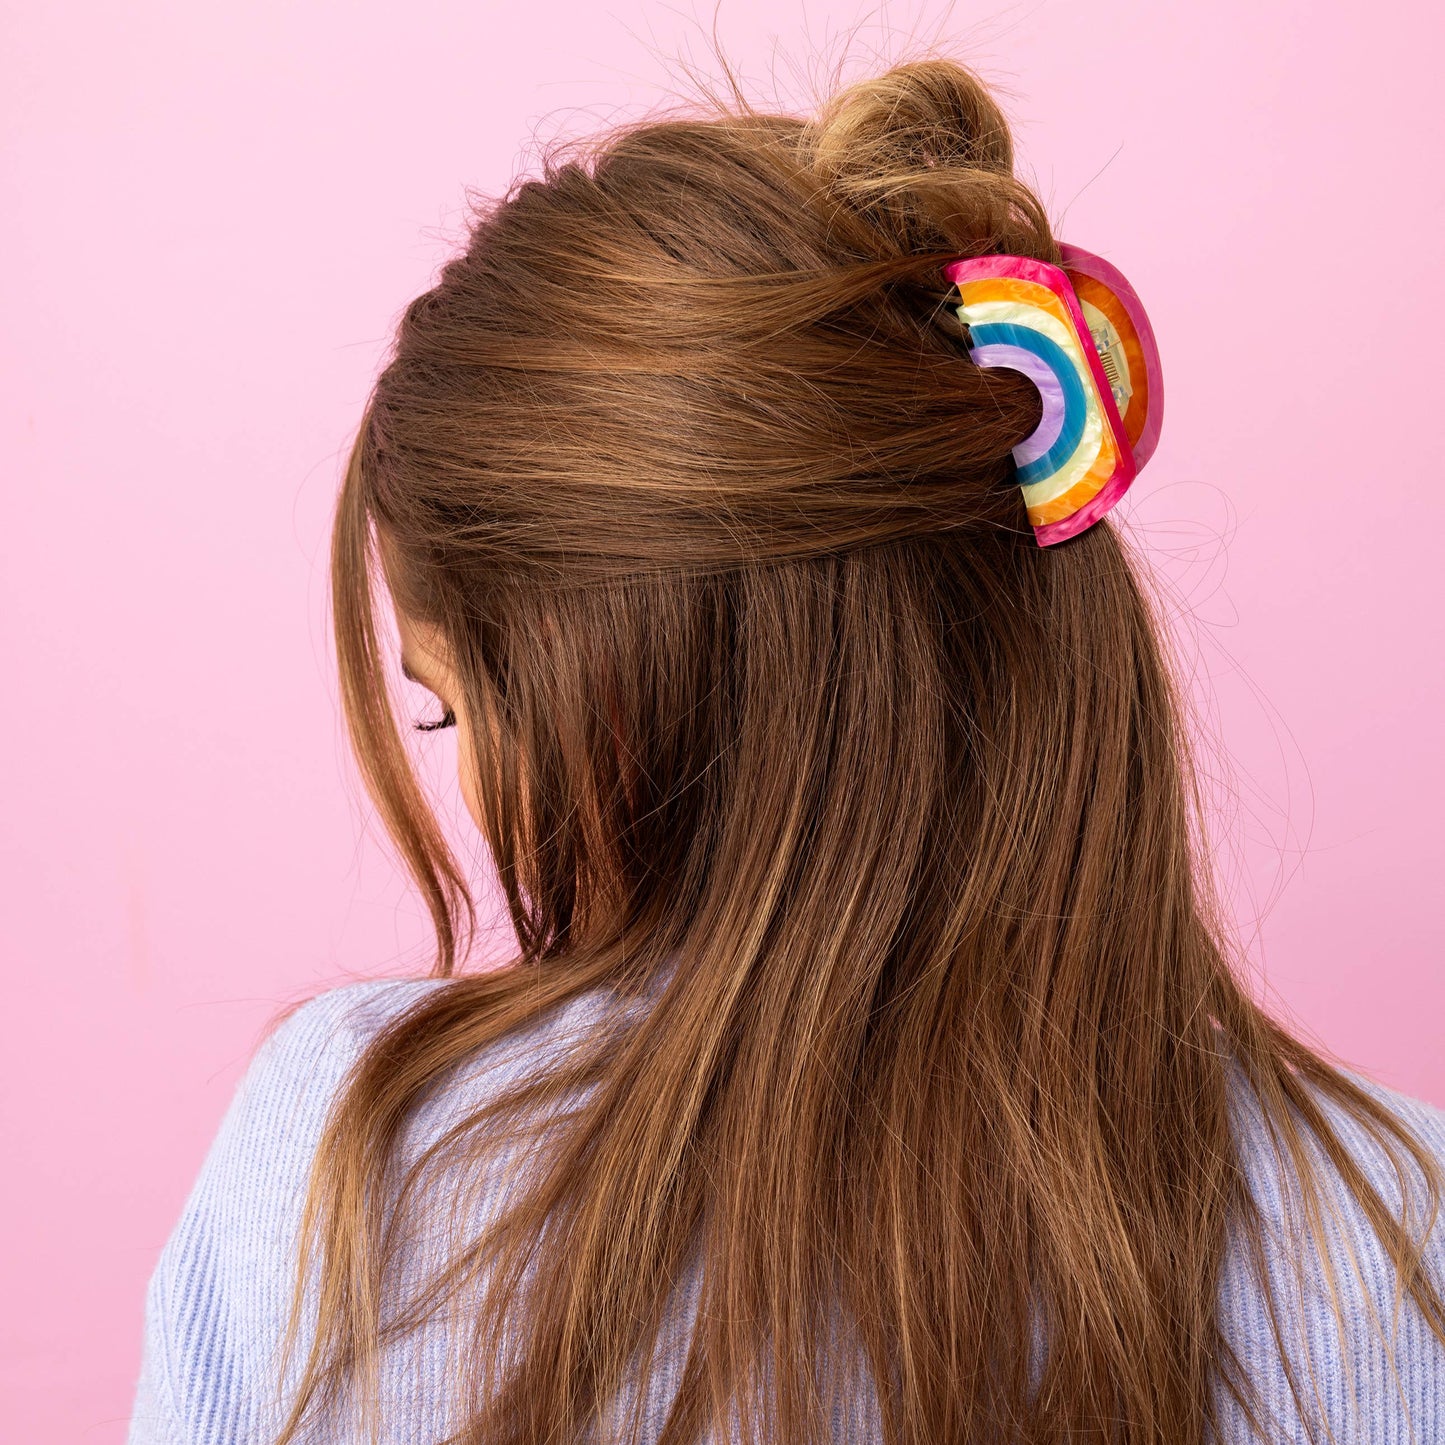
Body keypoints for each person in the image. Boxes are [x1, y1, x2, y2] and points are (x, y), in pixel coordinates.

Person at [126, 57, 1445, 1445]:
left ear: (604, 689)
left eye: (455, 709)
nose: (463, 783)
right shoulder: (1398, 1242)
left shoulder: (349, 1160)